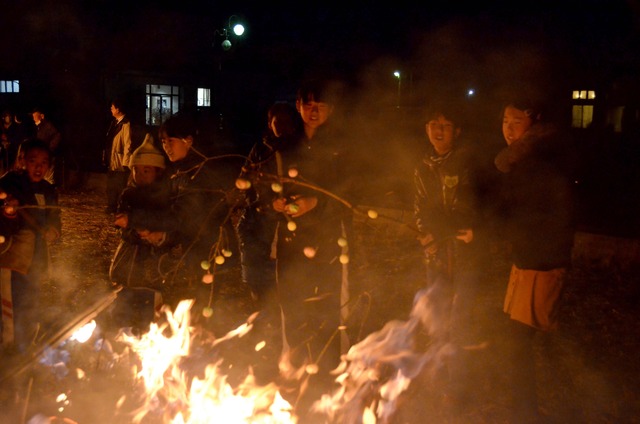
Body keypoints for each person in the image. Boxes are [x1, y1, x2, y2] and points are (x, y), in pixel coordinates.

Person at [272, 79, 352, 416]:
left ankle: (326, 394)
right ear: (298, 104)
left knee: (325, 314)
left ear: (331, 108)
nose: (313, 110)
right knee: (293, 313)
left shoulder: (342, 146)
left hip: (327, 243)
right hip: (291, 242)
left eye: (319, 104)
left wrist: (315, 202)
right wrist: (273, 202)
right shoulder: (285, 145)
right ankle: (296, 390)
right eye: (307, 103)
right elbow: (267, 186)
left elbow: (349, 196)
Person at [494, 99, 575, 422]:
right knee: (521, 338)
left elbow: (549, 214)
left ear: (534, 122)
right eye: (504, 121)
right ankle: (525, 409)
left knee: (521, 340)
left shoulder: (542, 160)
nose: (509, 128)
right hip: (526, 260)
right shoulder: (522, 159)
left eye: (516, 121)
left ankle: (525, 413)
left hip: (541, 263)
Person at [412, 101, 485, 411]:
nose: (438, 130)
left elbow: (466, 212)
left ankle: (457, 387)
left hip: (465, 256)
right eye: (433, 124)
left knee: (460, 320)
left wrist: (438, 228)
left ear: (457, 130)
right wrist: (424, 237)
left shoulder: (467, 164)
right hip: (436, 256)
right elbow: (420, 209)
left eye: (444, 125)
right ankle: (440, 377)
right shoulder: (423, 165)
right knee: (437, 319)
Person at [156, 113, 237, 313]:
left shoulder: (200, 173)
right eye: (163, 141)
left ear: (188, 141)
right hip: (193, 243)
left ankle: (204, 331)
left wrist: (160, 230)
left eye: (171, 140)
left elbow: (185, 213)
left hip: (210, 244)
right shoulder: (179, 171)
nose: (166, 146)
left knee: (206, 292)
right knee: (198, 290)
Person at [235, 102, 302, 310]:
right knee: (253, 263)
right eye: (277, 122)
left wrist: (288, 202)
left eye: (286, 122)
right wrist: (261, 203)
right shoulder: (261, 150)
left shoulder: (298, 150)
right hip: (258, 217)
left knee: (277, 268)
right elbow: (244, 180)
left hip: (284, 220)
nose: (281, 127)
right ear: (269, 123)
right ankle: (259, 305)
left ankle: (276, 307)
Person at [0, 139, 61, 353]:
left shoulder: (48, 189)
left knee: (31, 299)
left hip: (36, 257)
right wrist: (10, 212)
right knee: (10, 302)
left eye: (44, 162)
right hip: (13, 258)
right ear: (21, 160)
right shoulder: (9, 184)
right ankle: (8, 347)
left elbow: (54, 215)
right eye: (33, 160)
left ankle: (26, 342)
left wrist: (54, 229)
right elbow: (4, 221)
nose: (39, 166)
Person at [109, 134, 170, 331]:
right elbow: (122, 225)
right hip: (129, 254)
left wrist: (154, 234)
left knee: (150, 300)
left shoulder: (164, 196)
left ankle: (150, 335)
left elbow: (167, 221)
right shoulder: (128, 194)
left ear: (158, 172)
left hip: (153, 258)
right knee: (124, 294)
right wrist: (134, 232)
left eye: (147, 170)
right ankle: (120, 333)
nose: (141, 175)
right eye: (137, 170)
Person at [104, 99, 133, 214]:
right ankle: (111, 206)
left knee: (119, 186)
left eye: (112, 107)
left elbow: (128, 144)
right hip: (112, 160)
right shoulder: (114, 123)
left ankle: (120, 208)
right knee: (110, 185)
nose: (111, 110)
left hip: (119, 162)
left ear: (118, 109)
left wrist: (125, 162)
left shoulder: (126, 124)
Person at [30, 107, 61, 184]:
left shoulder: (47, 125)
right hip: (41, 154)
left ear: (41, 116)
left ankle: (50, 191)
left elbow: (57, 135)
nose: (34, 118)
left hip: (48, 153)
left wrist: (50, 148)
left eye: (35, 116)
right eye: (33, 116)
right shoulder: (38, 127)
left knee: (48, 175)